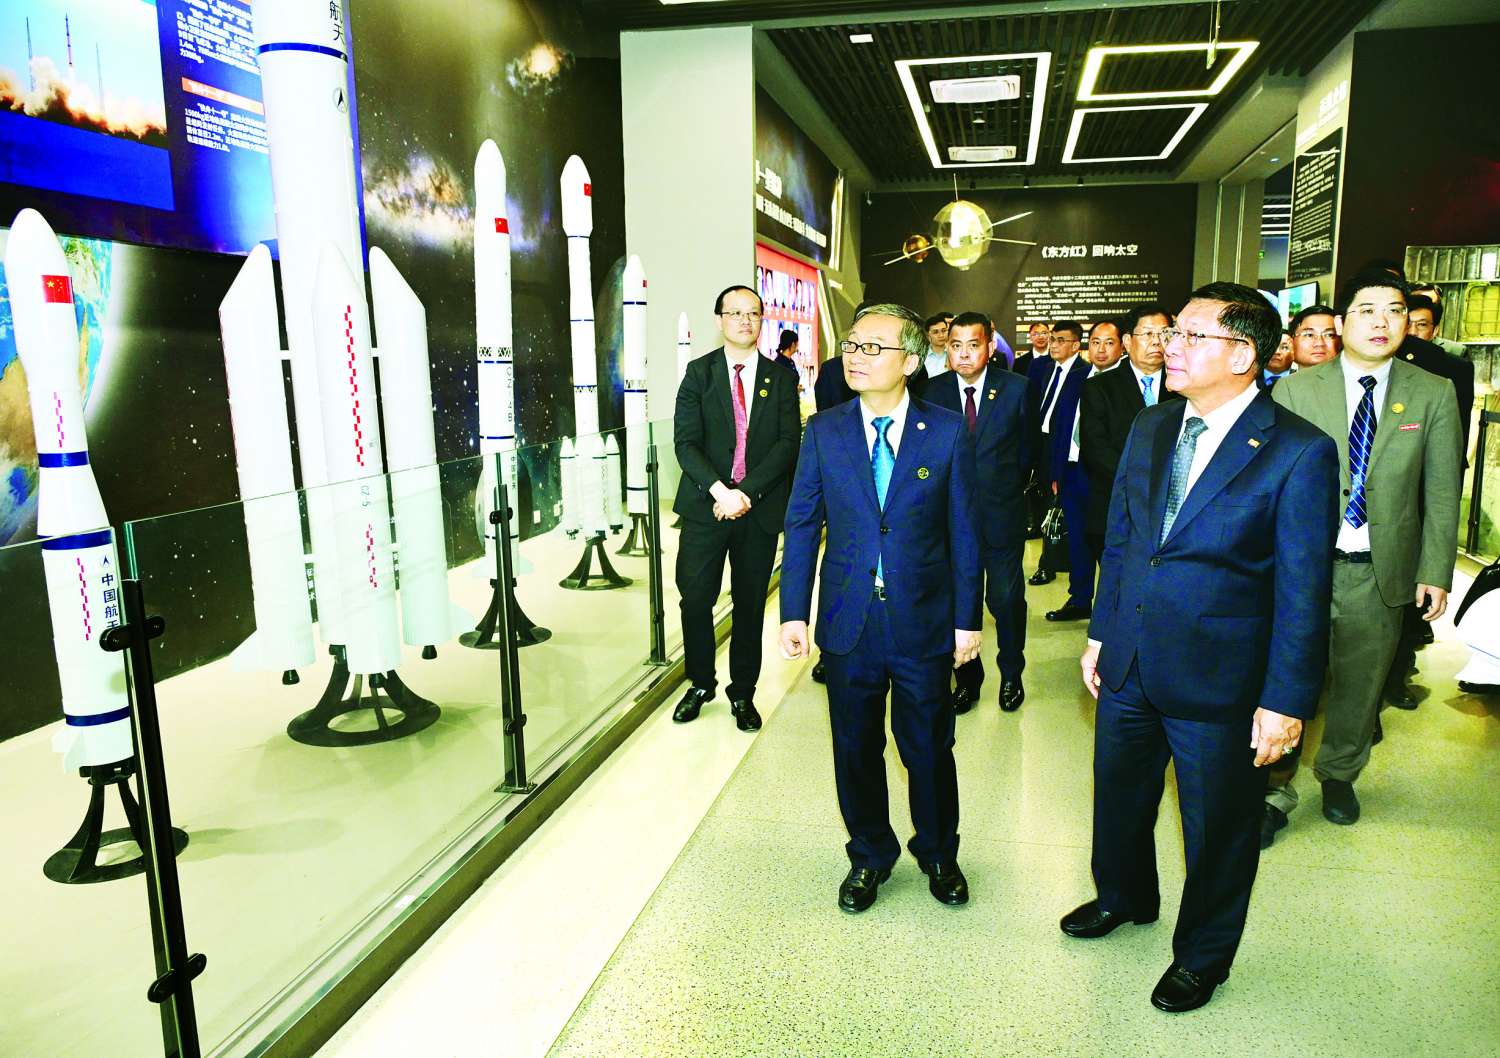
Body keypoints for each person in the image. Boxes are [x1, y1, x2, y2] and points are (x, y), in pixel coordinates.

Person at [1066, 281, 1340, 1014]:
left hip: (1222, 678)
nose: (1169, 347)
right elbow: (1125, 539)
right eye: (1171, 334)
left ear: (1244, 355)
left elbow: (1304, 591)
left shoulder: (1297, 452)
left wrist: (1285, 702)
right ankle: (1123, 896)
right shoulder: (1153, 425)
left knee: (1217, 827)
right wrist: (1101, 632)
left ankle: (1203, 956)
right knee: (1119, 797)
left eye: (1191, 336)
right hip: (1129, 659)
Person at [780, 302, 982, 914]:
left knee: (928, 746)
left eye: (873, 347)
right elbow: (802, 521)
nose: (856, 356)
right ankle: (869, 854)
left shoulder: (946, 431)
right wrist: (793, 611)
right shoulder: (825, 430)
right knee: (855, 747)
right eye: (852, 344)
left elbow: (964, 532)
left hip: (922, 618)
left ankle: (939, 852)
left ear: (911, 361)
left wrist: (967, 621)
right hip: (850, 621)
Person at [1261, 270, 1461, 842]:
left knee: (1360, 684)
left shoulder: (1432, 392)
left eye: (1394, 310)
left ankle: (1340, 774)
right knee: (1288, 680)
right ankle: (1274, 786)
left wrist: (1434, 571)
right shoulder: (1297, 390)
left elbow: (1441, 489)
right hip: (1302, 570)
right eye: (1367, 310)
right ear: (1341, 322)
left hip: (1379, 570)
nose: (1381, 322)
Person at [671, 284, 801, 732]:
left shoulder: (780, 378)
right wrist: (719, 491)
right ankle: (700, 683)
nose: (745, 320)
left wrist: (745, 494)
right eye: (735, 313)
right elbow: (685, 443)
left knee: (749, 605)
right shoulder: (699, 373)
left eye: (753, 313)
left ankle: (742, 692)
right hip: (705, 509)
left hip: (757, 510)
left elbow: (787, 443)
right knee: (695, 600)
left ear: (762, 320)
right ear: (719, 320)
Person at [926, 311, 1033, 713]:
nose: (965, 354)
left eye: (973, 345)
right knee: (958, 601)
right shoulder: (930, 392)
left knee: (1006, 599)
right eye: (956, 346)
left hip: (1001, 515)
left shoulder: (1017, 389)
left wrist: (1006, 491)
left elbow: (1027, 453)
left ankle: (1012, 673)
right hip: (948, 521)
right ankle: (967, 679)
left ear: (989, 346)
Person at [1079, 303, 1181, 575]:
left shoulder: (1184, 386)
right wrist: (1144, 483)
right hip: (1117, 504)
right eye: (1147, 334)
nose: (1156, 342)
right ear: (1127, 341)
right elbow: (1096, 448)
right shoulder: (1099, 386)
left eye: (1164, 333)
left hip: (1174, 508)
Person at [1043, 320, 1120, 621]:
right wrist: (1055, 471)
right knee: (1077, 539)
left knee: (1106, 542)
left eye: (1109, 343)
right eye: (1096, 342)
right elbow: (1062, 424)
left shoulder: (1124, 383)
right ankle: (1079, 599)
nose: (1101, 349)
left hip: (1106, 476)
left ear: (1123, 346)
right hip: (1072, 471)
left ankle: (1113, 607)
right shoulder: (1076, 377)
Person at [1025, 320, 1089, 587]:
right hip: (1039, 443)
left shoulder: (1084, 373)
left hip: (1060, 445)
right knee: (1041, 504)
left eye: (1061, 340)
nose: (1053, 344)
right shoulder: (1043, 367)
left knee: (1058, 507)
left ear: (1075, 345)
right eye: (1052, 339)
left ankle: (1048, 564)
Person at [1408, 293, 1468, 359]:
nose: (1412, 332)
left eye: (1422, 324)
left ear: (1435, 331)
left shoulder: (1454, 353)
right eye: (1407, 324)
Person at [922, 312, 952, 378]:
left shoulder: (954, 352)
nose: (941, 335)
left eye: (944, 330)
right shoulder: (922, 355)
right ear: (928, 336)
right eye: (935, 332)